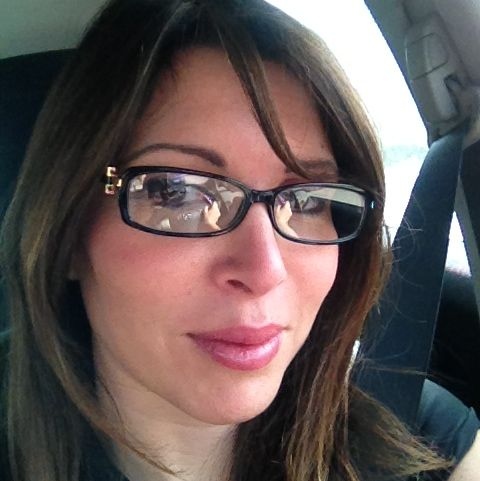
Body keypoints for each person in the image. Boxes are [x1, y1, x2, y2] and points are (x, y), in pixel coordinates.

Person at [0, 1, 478, 481]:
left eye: (306, 201)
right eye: (177, 193)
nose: (265, 271)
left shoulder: (416, 433)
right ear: (68, 231)